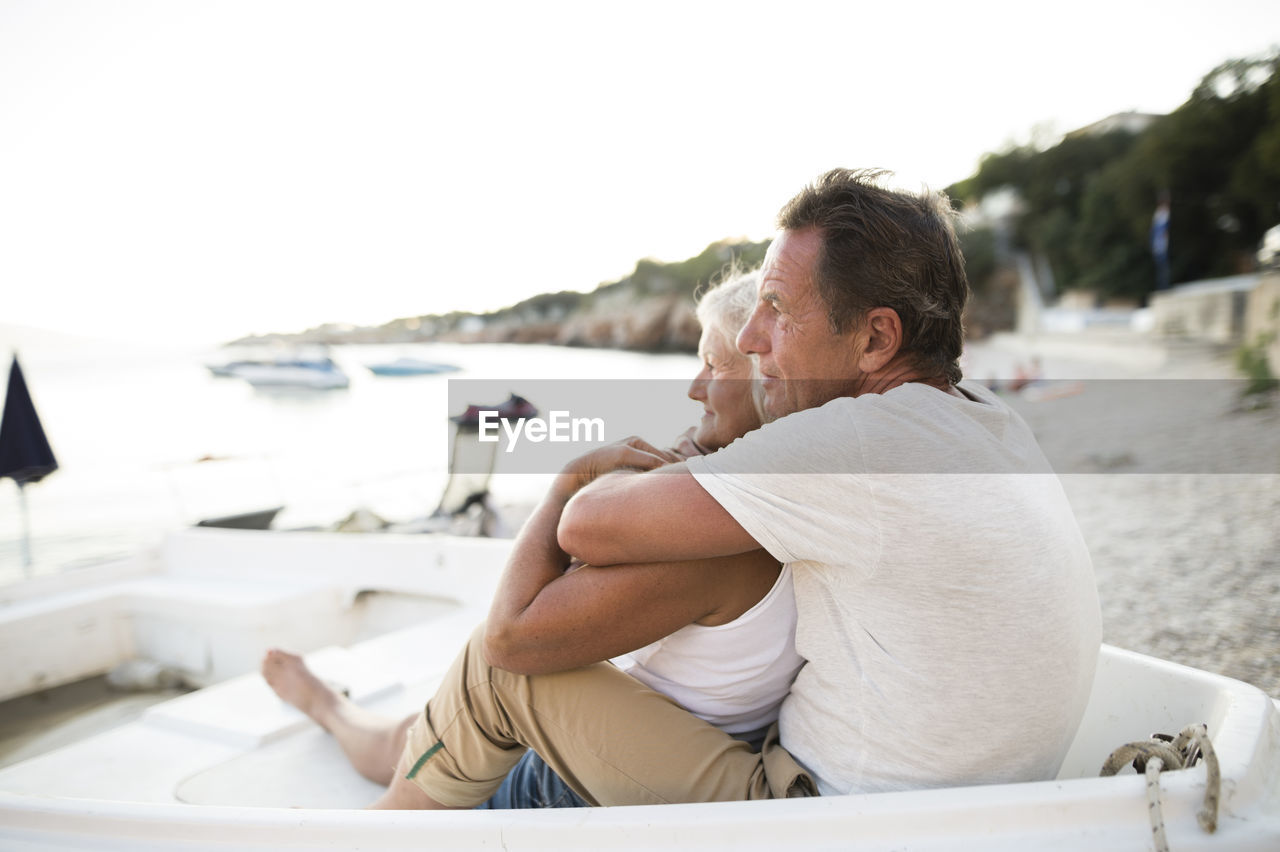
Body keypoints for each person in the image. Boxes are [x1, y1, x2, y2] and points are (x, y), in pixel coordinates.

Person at [379, 167, 1102, 810]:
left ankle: (378, 834)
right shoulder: (988, 423)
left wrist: (575, 473)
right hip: (980, 812)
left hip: (824, 818)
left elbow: (584, 528)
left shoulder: (858, 441)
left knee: (502, 672)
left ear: (877, 340)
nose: (753, 339)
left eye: (779, 309)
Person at [262, 268, 804, 808]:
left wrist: (567, 484)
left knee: (477, 685)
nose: (694, 388)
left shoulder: (712, 527)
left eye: (714, 364)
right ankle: (328, 706)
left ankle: (368, 811)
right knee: (409, 733)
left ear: (767, 375)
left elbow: (510, 636)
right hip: (653, 729)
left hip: (601, 773)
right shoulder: (801, 490)